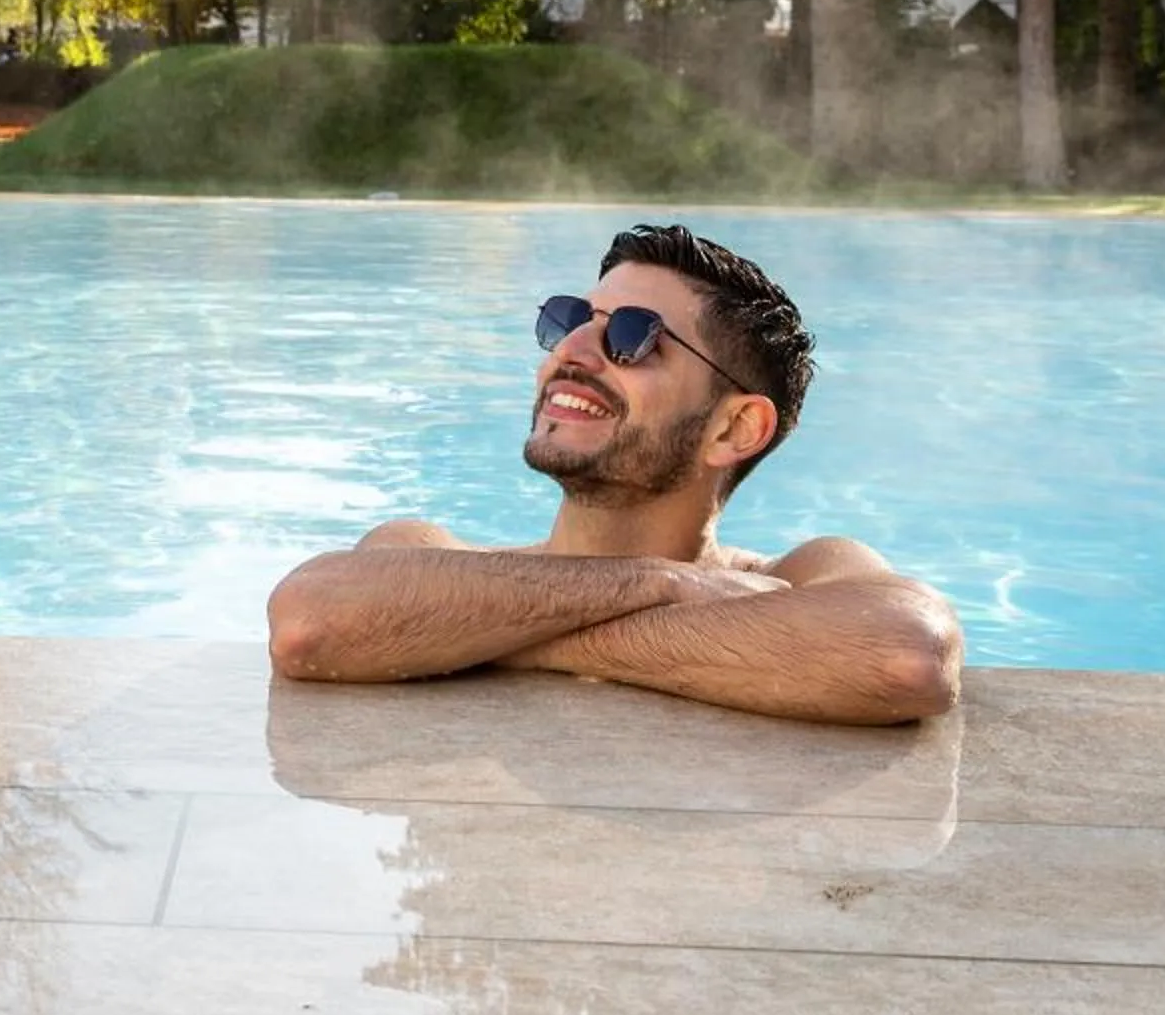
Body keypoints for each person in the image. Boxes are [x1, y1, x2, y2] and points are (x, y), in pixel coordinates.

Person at [265, 224, 961, 724]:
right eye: (568, 319)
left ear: (733, 428)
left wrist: (486, 637)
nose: (570, 349)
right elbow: (307, 625)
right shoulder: (426, 552)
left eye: (632, 336)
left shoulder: (808, 573)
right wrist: (661, 583)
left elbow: (902, 658)